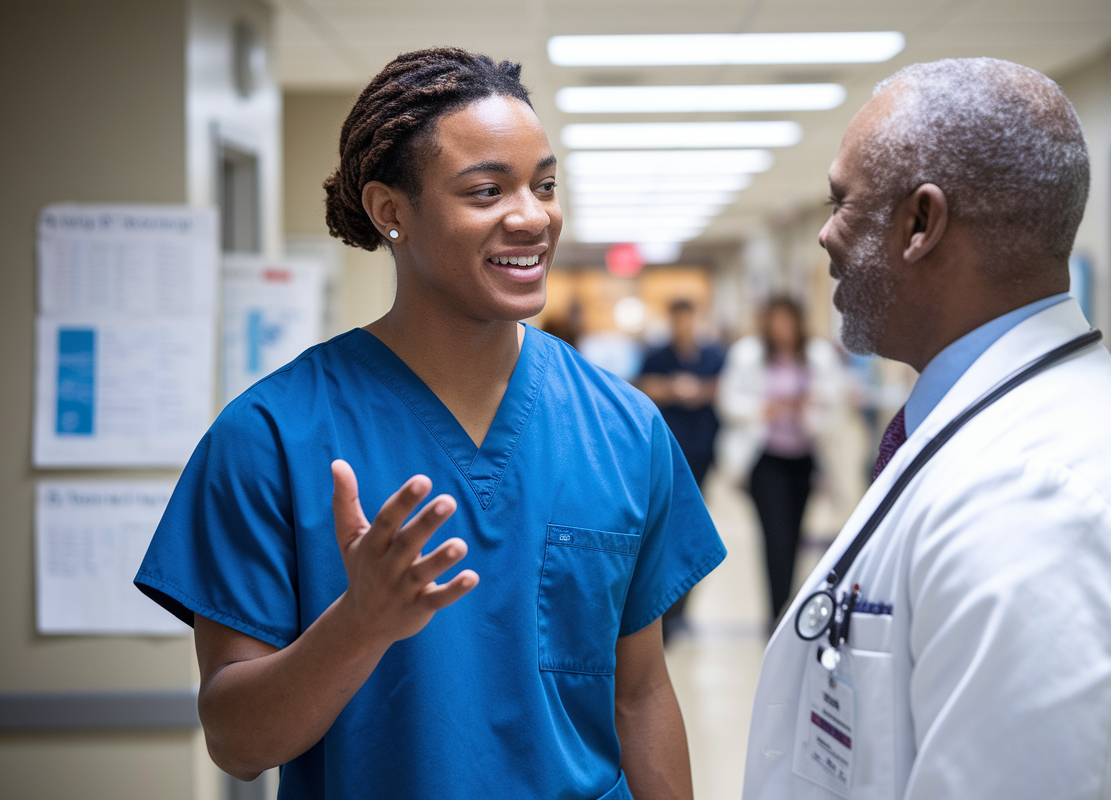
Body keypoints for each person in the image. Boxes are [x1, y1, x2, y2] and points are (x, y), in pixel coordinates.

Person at [134, 48, 724, 800]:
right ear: (391, 213)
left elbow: (639, 696)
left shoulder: (623, 427)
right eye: (487, 190)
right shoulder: (269, 437)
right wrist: (362, 622)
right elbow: (238, 743)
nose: (532, 216)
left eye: (544, 185)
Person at [744, 58, 1111, 799]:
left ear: (922, 222)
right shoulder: (989, 424)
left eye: (842, 204)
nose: (825, 237)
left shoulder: (1034, 495)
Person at [718, 297, 843, 622]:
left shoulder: (818, 356)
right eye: (776, 320)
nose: (782, 328)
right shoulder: (747, 355)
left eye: (788, 320)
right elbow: (728, 401)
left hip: (803, 460)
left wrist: (809, 407)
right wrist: (763, 409)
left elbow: (835, 404)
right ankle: (776, 615)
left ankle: (787, 608)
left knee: (795, 536)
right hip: (765, 461)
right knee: (775, 538)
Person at [637, 299, 726, 639]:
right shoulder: (656, 356)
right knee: (662, 528)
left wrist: (698, 391)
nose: (682, 325)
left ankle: (681, 610)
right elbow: (643, 388)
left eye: (688, 319)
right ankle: (664, 608)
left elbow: (724, 389)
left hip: (702, 453)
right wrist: (675, 390)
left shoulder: (712, 355)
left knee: (693, 528)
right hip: (666, 456)